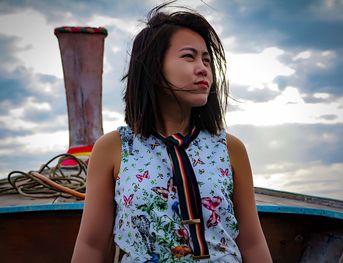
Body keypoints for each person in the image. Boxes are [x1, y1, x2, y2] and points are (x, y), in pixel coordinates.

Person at [71, 3, 272, 263]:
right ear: (154, 67)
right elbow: (92, 246)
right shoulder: (113, 148)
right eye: (189, 56)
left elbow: (253, 244)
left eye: (206, 60)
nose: (203, 68)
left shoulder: (230, 148)